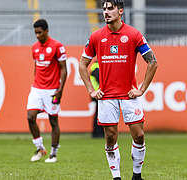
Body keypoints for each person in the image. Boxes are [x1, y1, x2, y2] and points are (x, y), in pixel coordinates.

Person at [79, 0, 158, 179]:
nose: (106, 12)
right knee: (110, 138)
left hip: (129, 95)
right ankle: (116, 177)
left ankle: (137, 175)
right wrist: (91, 90)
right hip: (107, 97)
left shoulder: (133, 34)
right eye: (104, 9)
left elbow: (153, 62)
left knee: (139, 136)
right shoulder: (96, 36)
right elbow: (82, 64)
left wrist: (142, 89)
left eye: (110, 8)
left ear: (120, 11)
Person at [27, 19, 67, 163]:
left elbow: (64, 69)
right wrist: (36, 80)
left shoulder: (57, 46)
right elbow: (37, 66)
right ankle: (40, 148)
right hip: (37, 88)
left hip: (52, 90)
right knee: (30, 117)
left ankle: (53, 153)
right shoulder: (34, 47)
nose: (37, 35)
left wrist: (60, 90)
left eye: (40, 32)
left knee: (53, 120)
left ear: (46, 31)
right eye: (35, 33)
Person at [90, 61, 105, 138]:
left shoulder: (94, 66)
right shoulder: (96, 67)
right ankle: (98, 133)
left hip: (97, 93)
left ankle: (97, 133)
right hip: (98, 94)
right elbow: (101, 80)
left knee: (99, 113)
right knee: (99, 114)